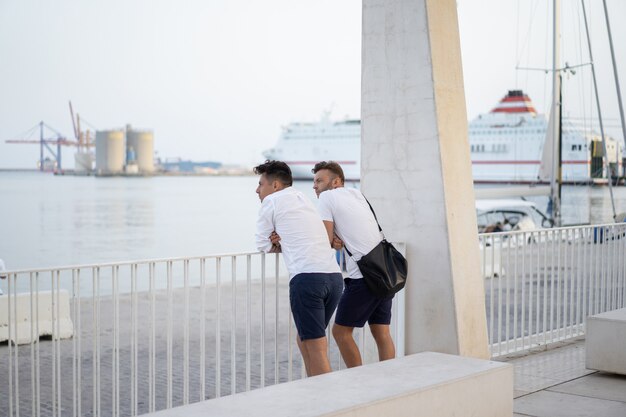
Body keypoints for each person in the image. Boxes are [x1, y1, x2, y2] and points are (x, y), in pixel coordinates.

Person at [254, 160, 343, 376]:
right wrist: (282, 240)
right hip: (333, 278)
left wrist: (276, 242)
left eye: (260, 184)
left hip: (308, 279)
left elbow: (262, 244)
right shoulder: (303, 198)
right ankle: (314, 390)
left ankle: (330, 405)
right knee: (305, 337)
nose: (257, 190)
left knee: (317, 347)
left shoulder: (272, 202)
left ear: (274, 186)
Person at [312, 161, 396, 368]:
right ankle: (390, 380)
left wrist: (332, 241)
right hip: (384, 271)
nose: (315, 186)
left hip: (363, 277)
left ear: (336, 182)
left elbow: (325, 237)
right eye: (314, 181)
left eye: (319, 181)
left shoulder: (326, 197)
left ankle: (359, 380)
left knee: (340, 332)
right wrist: (335, 239)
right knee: (382, 332)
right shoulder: (357, 194)